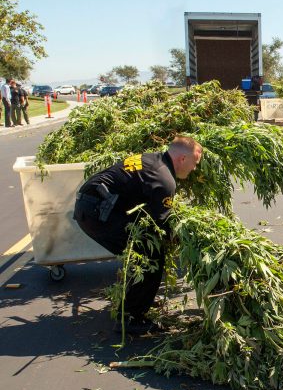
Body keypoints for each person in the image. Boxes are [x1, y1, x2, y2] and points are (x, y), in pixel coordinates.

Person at [74, 136, 203, 333]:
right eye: (195, 163)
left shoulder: (153, 159)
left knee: (146, 253)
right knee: (149, 259)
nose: (194, 169)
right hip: (98, 214)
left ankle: (137, 304)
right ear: (183, 159)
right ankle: (130, 319)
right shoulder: (164, 179)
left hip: (93, 206)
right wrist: (188, 242)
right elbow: (163, 226)